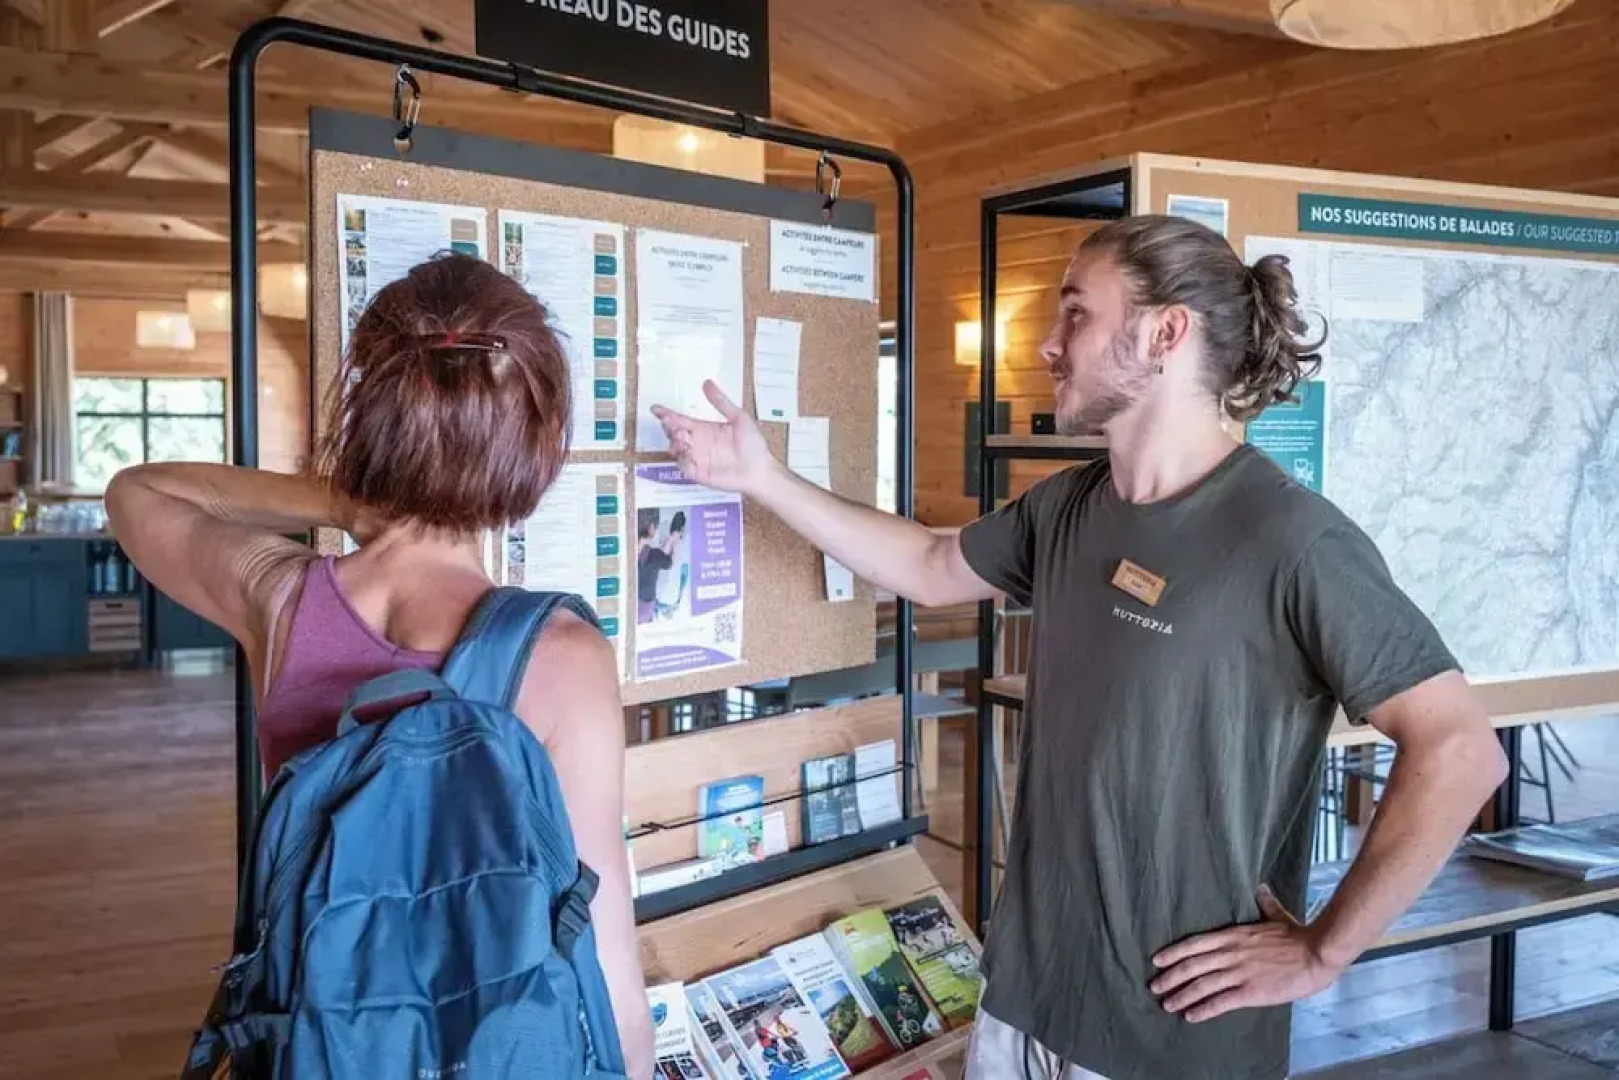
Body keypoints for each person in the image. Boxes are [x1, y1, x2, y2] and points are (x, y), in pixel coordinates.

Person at [651, 215, 1508, 1080]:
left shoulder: (1290, 539)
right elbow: (925, 561)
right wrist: (759, 477)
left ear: (1164, 331)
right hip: (1022, 998)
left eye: (1076, 315)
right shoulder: (1067, 506)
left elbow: (1460, 750)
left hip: (1168, 1030)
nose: (1048, 345)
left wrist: (1324, 951)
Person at [106, 253, 655, 1080]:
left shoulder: (280, 599)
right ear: (535, 445)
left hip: (322, 1030)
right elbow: (602, 933)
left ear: (369, 414)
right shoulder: (562, 654)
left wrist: (342, 497)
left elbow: (137, 492)